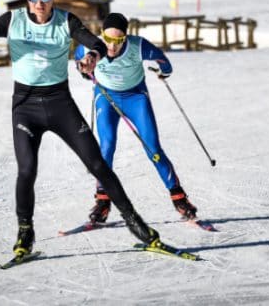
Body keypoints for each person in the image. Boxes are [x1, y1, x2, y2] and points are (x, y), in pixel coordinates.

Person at [0, 0, 160, 257]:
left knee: (97, 164)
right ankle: (25, 233)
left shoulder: (65, 21)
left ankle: (136, 223)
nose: (39, 4)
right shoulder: (13, 20)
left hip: (59, 103)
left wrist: (93, 57)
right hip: (25, 106)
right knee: (27, 170)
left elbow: (95, 43)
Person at [74, 13, 199, 224]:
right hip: (106, 97)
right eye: (107, 39)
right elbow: (80, 64)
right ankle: (103, 202)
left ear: (126, 37)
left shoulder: (138, 46)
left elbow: (163, 61)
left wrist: (163, 71)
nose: (112, 46)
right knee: (106, 147)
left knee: (153, 149)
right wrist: (85, 71)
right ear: (101, 34)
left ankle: (179, 198)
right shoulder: (89, 47)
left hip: (135, 97)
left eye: (118, 40)